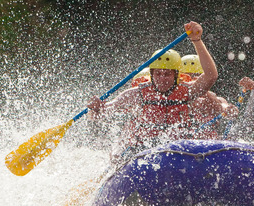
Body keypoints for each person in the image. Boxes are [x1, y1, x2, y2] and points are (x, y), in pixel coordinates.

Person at [87, 22, 217, 159]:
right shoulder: (137, 93)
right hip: (144, 148)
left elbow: (211, 76)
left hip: (179, 149)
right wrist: (96, 109)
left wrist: (197, 41)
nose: (162, 78)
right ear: (151, 74)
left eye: (167, 74)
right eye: (158, 74)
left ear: (177, 75)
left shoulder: (187, 91)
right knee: (118, 156)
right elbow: (102, 113)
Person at [180, 54, 238, 139]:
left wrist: (202, 90)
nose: (191, 82)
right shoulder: (175, 99)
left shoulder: (212, 97)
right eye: (187, 78)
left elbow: (224, 107)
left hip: (208, 144)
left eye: (195, 78)